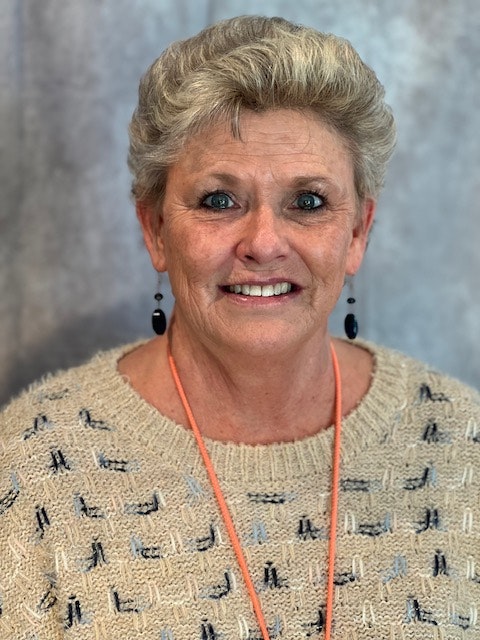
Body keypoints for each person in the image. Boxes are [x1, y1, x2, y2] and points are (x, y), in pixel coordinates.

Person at [1, 15, 479, 640]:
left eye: (308, 201)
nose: (263, 243)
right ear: (154, 229)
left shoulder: (465, 448)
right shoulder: (29, 472)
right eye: (218, 200)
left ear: (358, 231)